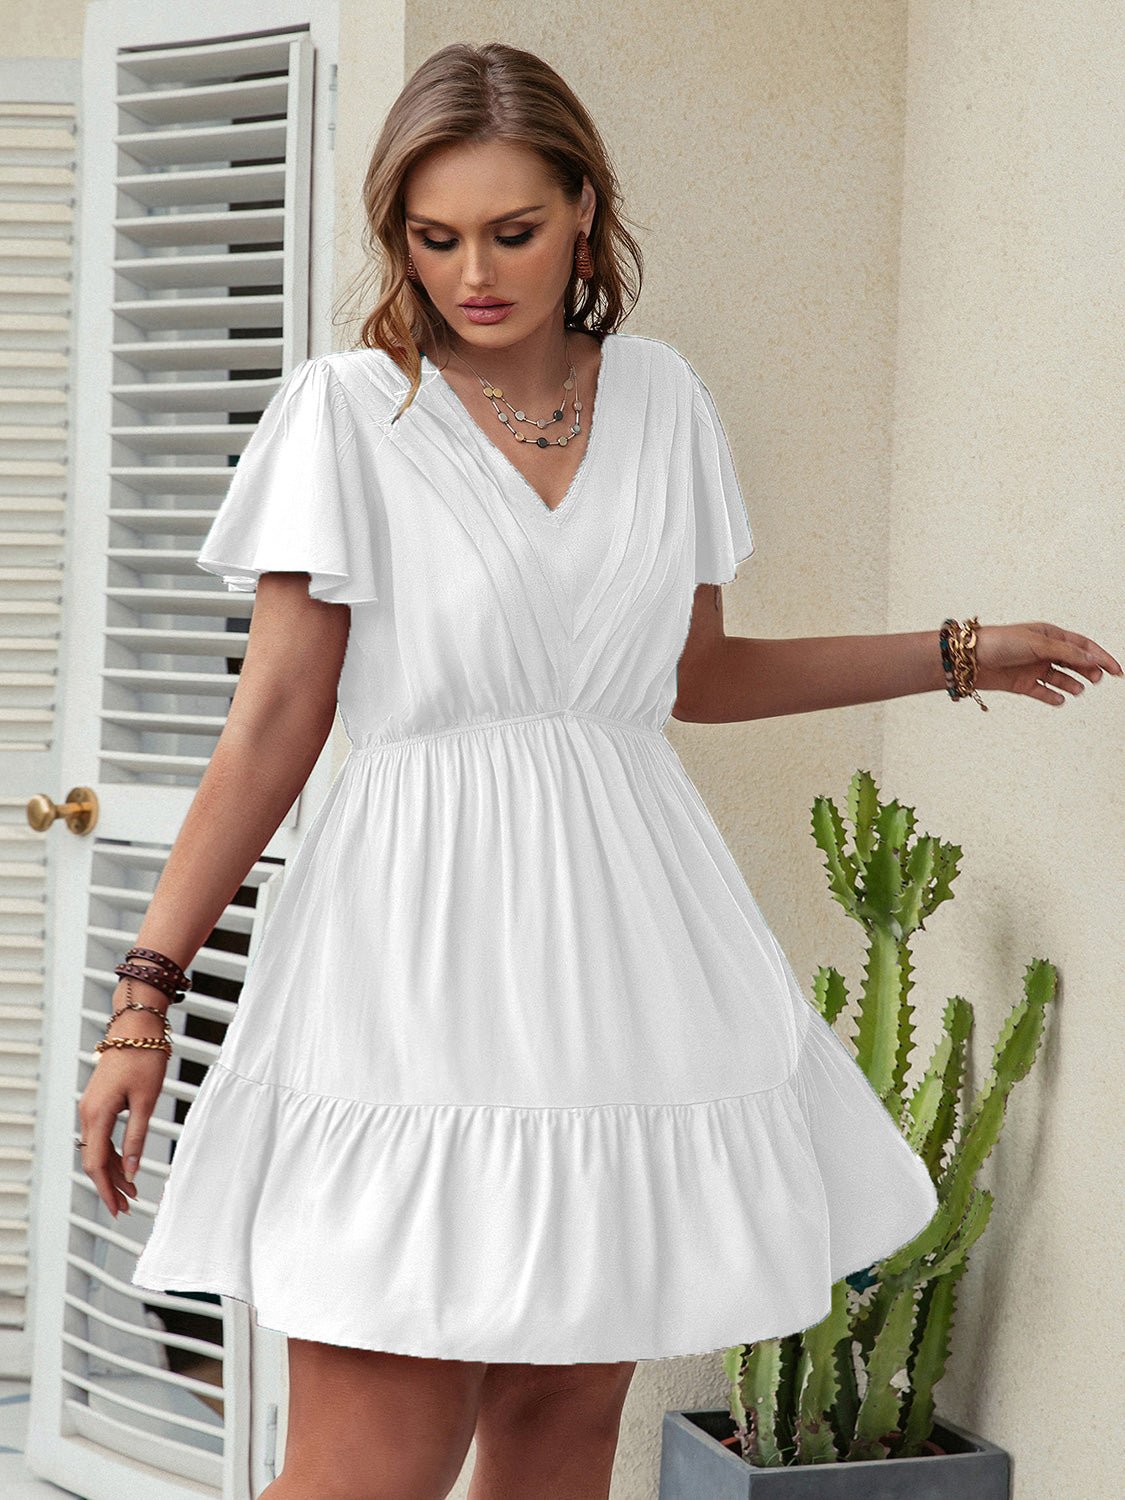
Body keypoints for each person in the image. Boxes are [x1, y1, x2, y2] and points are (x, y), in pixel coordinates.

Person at [74, 41, 1120, 1500]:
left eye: (511, 231)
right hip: (413, 971)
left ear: (583, 209)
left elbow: (694, 678)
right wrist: (145, 999)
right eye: (434, 238)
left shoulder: (663, 400)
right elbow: (272, 725)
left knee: (561, 1447)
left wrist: (954, 652)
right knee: (369, 1470)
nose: (473, 274)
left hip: (625, 971)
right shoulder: (346, 413)